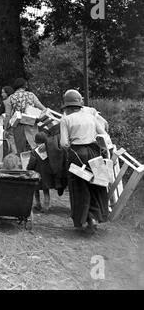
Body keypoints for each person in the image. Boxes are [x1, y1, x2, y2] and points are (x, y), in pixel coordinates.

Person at [60, 90, 109, 234]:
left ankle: (86, 218)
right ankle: (96, 217)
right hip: (95, 153)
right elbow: (103, 134)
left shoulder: (66, 119)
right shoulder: (90, 116)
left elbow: (63, 143)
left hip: (77, 154)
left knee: (80, 187)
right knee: (97, 185)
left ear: (67, 106)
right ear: (79, 104)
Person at [6, 78, 46, 155]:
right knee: (35, 146)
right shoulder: (31, 95)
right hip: (31, 125)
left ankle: (22, 164)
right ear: (24, 85)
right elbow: (42, 108)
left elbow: (8, 115)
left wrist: (6, 129)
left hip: (18, 126)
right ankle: (35, 163)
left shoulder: (11, 97)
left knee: (20, 149)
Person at [27, 132, 60, 213]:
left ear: (35, 141)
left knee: (36, 190)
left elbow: (32, 163)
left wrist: (28, 169)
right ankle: (46, 206)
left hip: (37, 175)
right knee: (46, 190)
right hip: (47, 174)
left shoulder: (34, 151)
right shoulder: (50, 151)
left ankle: (38, 204)